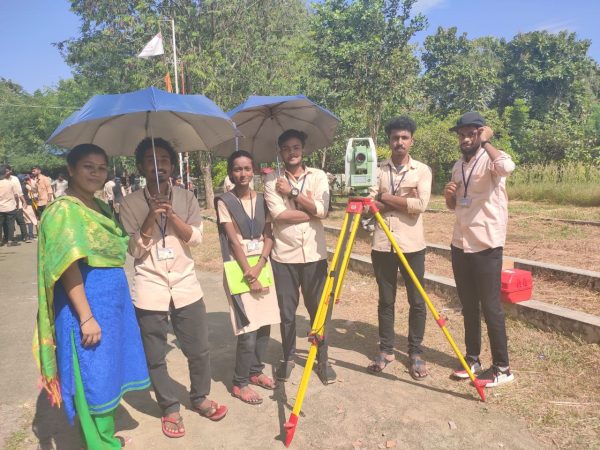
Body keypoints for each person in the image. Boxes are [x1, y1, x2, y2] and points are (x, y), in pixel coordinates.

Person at [34, 144, 150, 450]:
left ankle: (105, 437)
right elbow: (68, 267)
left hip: (111, 307)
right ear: (70, 170)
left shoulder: (98, 207)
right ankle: (100, 444)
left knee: (107, 370)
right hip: (84, 306)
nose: (96, 173)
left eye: (101, 167)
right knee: (92, 376)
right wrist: (86, 317)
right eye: (88, 166)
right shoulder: (63, 211)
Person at [119, 137, 228, 439]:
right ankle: (169, 407)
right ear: (141, 166)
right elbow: (135, 250)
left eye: (164, 160)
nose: (159, 166)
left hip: (185, 284)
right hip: (150, 286)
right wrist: (150, 217)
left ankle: (200, 397)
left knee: (198, 349)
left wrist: (172, 214)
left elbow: (195, 239)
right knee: (155, 355)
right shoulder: (129, 203)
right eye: (151, 161)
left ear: (172, 165)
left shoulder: (187, 198)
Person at [444, 111, 516, 387]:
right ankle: (472, 358)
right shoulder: (456, 166)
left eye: (471, 133)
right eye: (462, 134)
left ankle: (502, 367)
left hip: (486, 242)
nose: (465, 138)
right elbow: (454, 205)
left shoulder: (491, 159)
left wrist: (487, 141)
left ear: (481, 133)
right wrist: (449, 196)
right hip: (460, 242)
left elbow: (508, 167)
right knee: (468, 305)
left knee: (490, 306)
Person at [263, 129, 336, 385]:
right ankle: (288, 357)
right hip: (284, 256)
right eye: (286, 148)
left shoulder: (317, 177)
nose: (291, 152)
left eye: (295, 147)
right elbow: (279, 215)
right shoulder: (271, 180)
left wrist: (293, 194)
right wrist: (313, 211)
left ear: (302, 149)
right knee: (287, 311)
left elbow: (323, 209)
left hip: (315, 255)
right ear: (280, 152)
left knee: (319, 310)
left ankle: (322, 359)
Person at [366, 117, 432, 380]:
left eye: (404, 137)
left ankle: (415, 352)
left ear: (411, 140)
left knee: (417, 301)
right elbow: (369, 202)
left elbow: (420, 204)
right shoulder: (377, 170)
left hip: (412, 245)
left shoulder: (422, 170)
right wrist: (402, 199)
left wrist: (384, 197)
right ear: (389, 141)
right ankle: (386, 349)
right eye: (395, 138)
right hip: (382, 244)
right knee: (386, 300)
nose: (399, 142)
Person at [215, 150, 280, 405]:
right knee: (247, 328)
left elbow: (269, 234)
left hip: (263, 264)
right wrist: (249, 273)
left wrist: (262, 263)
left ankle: (255, 371)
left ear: (253, 171)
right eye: (237, 169)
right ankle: (239, 383)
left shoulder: (264, 199)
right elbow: (232, 240)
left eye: (247, 168)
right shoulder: (225, 201)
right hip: (238, 269)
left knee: (265, 324)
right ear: (231, 172)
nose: (242, 174)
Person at [2, 165, 28, 243]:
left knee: (20, 221)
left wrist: (24, 201)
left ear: (11, 171)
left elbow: (19, 192)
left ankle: (25, 236)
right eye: (4, 171)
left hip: (16, 204)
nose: (6, 173)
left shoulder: (14, 179)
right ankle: (8, 238)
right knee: (6, 223)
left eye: (7, 171)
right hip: (4, 206)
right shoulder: (1, 179)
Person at [0, 165, 22, 247]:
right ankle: (10, 241)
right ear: (5, 173)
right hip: (10, 207)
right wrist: (17, 204)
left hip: (0, 207)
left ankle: (0, 241)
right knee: (10, 224)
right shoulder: (10, 183)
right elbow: (16, 195)